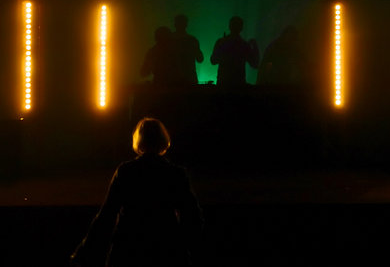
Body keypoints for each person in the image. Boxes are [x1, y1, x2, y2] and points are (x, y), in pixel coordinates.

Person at [70, 118, 204, 267]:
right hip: (166, 250)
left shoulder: (125, 172)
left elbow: (107, 214)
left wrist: (84, 250)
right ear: (163, 140)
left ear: (139, 141)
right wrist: (197, 251)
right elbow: (191, 216)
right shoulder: (176, 174)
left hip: (128, 249)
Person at [210, 16, 259, 88]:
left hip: (223, 83)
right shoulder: (244, 45)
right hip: (238, 84)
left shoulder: (221, 42)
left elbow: (213, 60)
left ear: (229, 26)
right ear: (241, 28)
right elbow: (255, 64)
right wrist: (255, 47)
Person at [171, 14, 204, 85]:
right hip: (190, 78)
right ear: (186, 25)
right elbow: (200, 59)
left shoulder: (168, 41)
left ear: (175, 25)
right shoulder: (192, 40)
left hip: (173, 79)